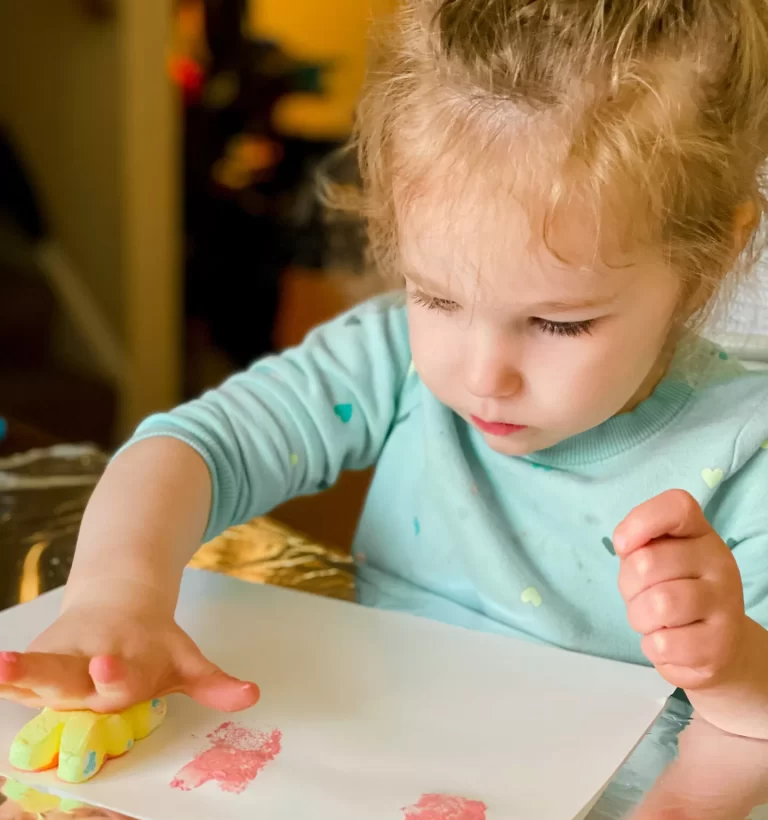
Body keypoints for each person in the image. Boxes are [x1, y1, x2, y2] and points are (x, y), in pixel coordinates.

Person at [3, 0, 768, 739]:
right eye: (436, 296)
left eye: (557, 323)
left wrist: (733, 664)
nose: (483, 373)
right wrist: (117, 595)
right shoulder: (393, 357)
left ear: (713, 258)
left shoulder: (746, 451)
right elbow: (201, 447)